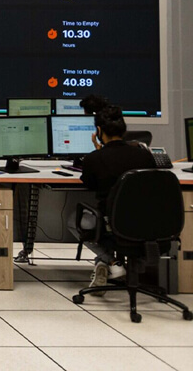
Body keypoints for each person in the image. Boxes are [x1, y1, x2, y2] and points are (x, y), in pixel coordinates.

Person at [79, 105, 155, 294]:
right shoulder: (145, 155)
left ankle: (112, 261)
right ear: (124, 130)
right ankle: (115, 265)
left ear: (98, 131)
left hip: (111, 222)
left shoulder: (94, 159)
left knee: (75, 217)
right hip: (147, 222)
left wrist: (97, 153)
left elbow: (89, 184)